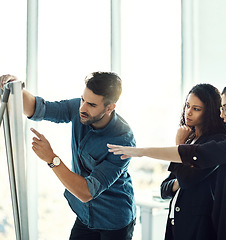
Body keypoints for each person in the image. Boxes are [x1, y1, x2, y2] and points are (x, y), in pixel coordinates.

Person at [108, 80, 226, 240]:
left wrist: (142, 151)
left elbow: (197, 157)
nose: (222, 115)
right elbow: (170, 185)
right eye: (221, 108)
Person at [0, 72, 136, 240]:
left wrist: (51, 159)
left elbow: (87, 192)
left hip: (114, 220)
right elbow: (38, 108)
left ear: (110, 108)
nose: (82, 108)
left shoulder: (123, 140)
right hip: (85, 215)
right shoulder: (80, 109)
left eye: (92, 105)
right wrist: (15, 87)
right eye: (82, 99)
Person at [160, 83, 226, 240]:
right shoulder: (190, 139)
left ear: (210, 113)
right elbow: (164, 189)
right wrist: (177, 181)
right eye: (187, 106)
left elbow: (185, 180)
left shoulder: (216, 142)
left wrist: (179, 146)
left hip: (198, 227)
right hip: (175, 223)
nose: (188, 112)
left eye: (196, 109)